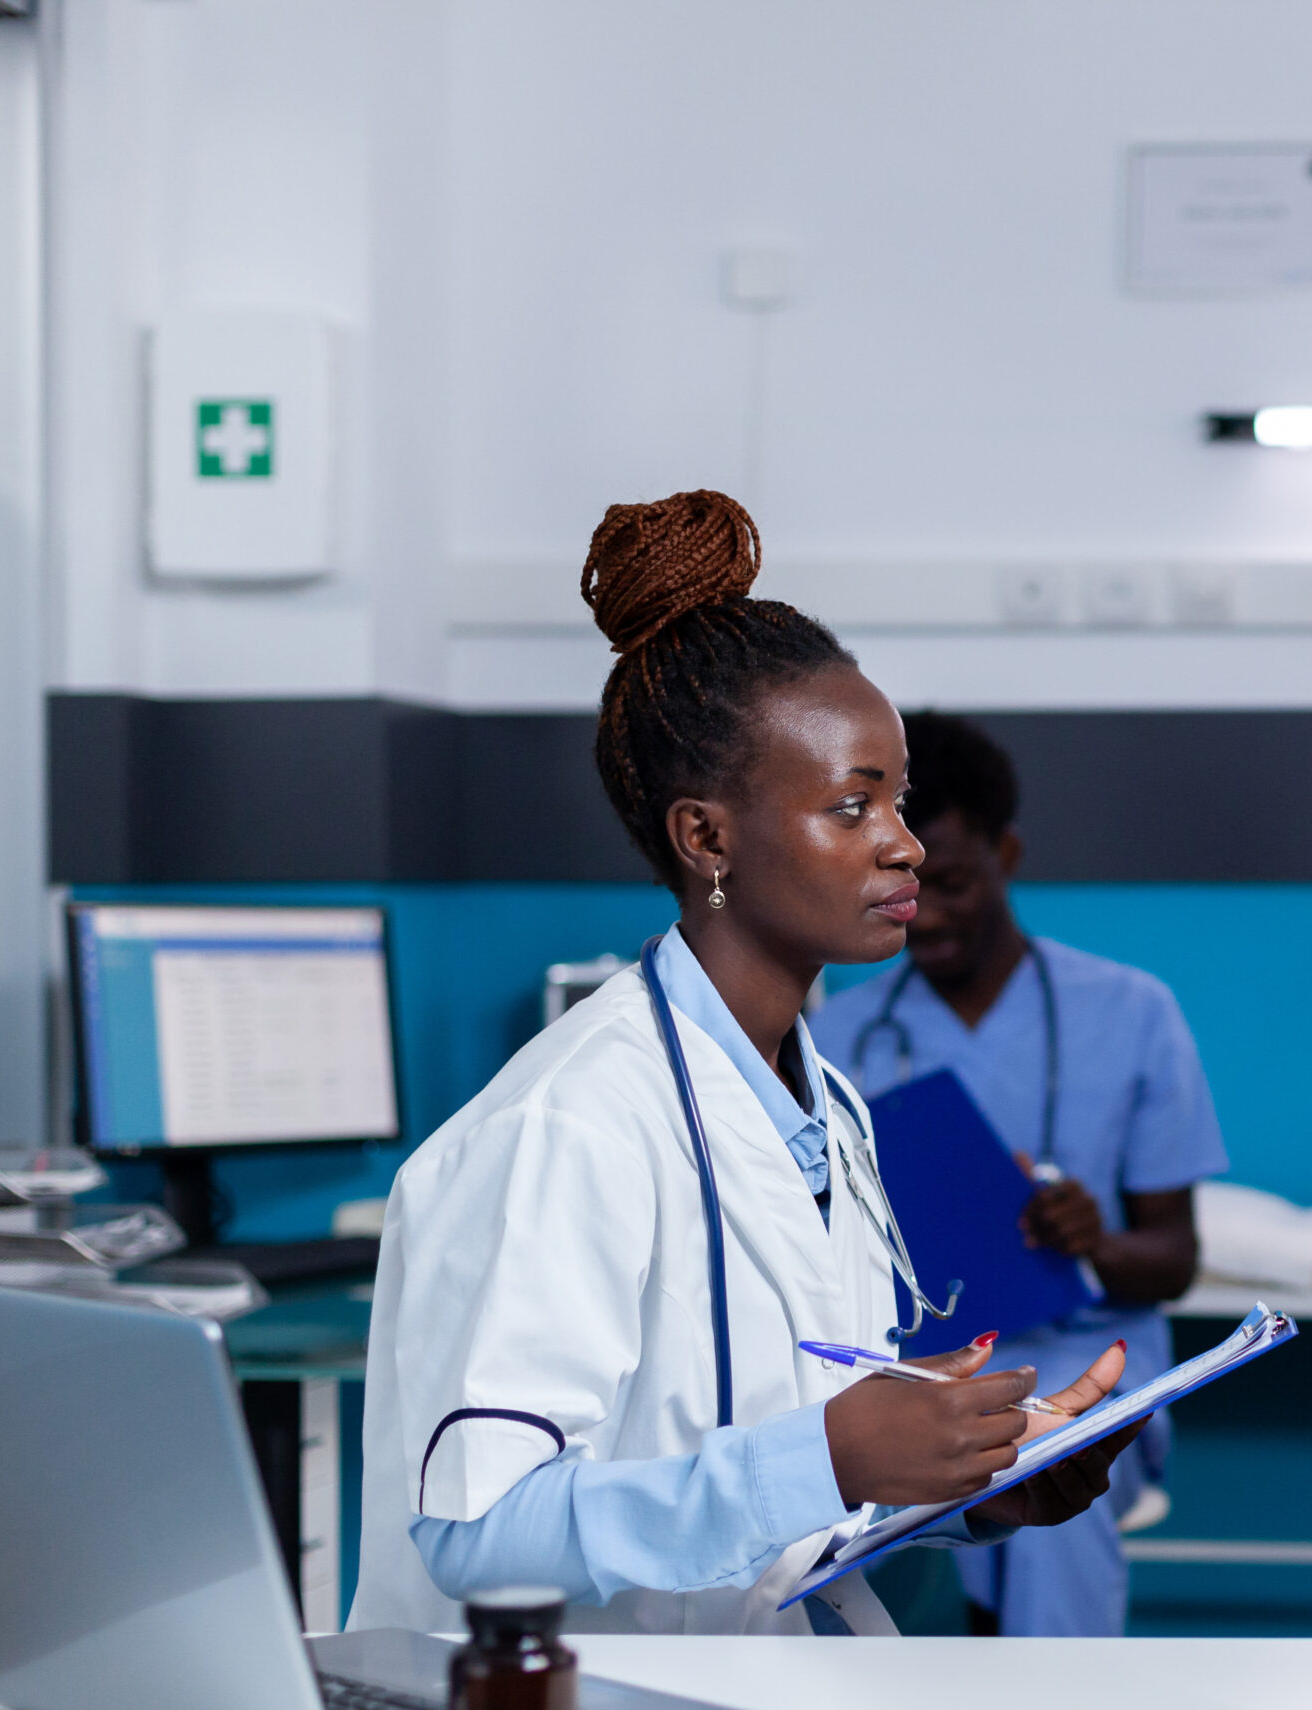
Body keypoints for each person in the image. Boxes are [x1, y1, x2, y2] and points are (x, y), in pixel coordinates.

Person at [351, 490, 1137, 1638]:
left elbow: (800, 1505)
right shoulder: (566, 1127)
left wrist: (978, 1485)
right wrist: (827, 1456)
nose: (905, 844)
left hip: (783, 1698)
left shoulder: (830, 1115)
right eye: (852, 806)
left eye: (899, 801)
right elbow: (479, 1534)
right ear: (706, 837)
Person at [809, 712, 1229, 1637]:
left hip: (1085, 1355)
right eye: (904, 881)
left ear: (1008, 852)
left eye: (953, 881)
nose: (931, 912)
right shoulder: (833, 1039)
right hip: (900, 1363)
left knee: (1041, 1467)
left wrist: (1095, 1241)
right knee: (806, 1498)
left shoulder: (1130, 1013)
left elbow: (1173, 1260)